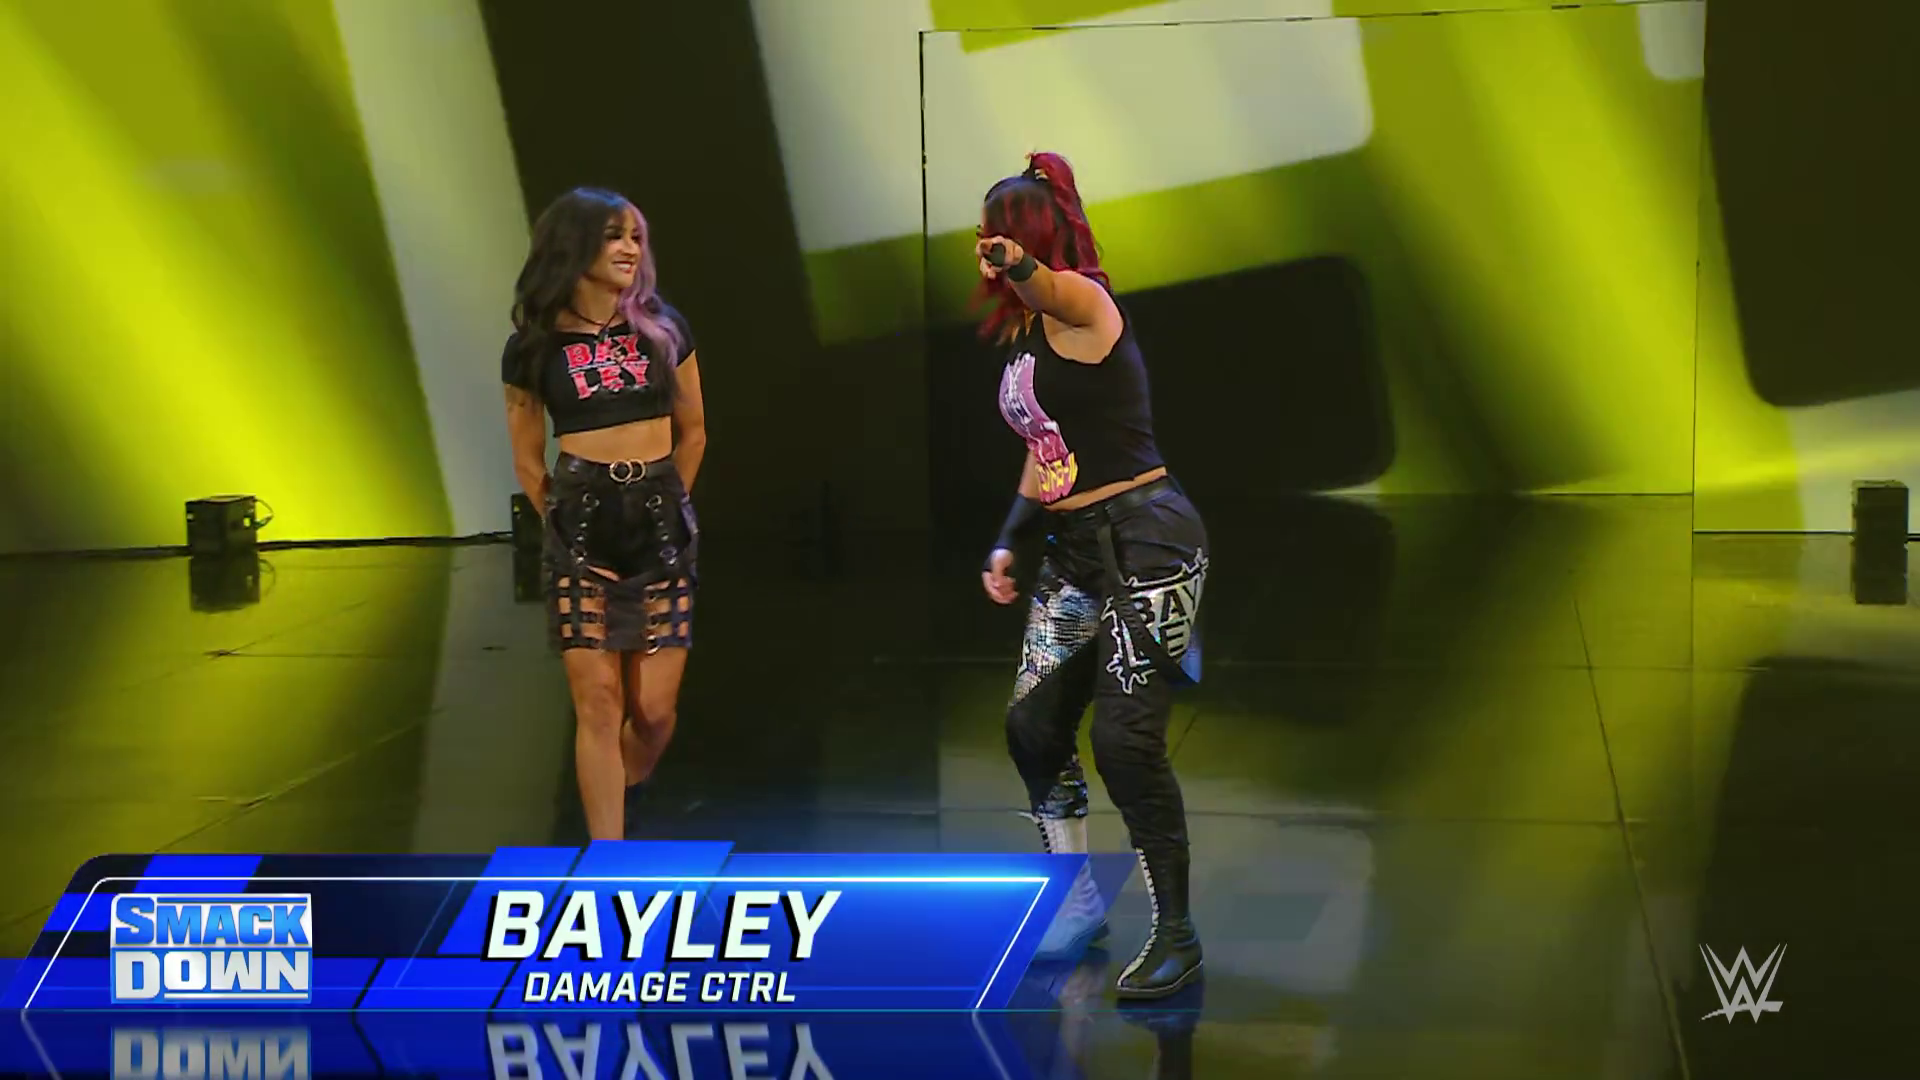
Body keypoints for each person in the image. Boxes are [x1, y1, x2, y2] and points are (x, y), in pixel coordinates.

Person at [976, 153, 1208, 999]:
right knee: (1034, 727)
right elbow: (1045, 450)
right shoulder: (1026, 337)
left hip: (1149, 541)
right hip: (1075, 548)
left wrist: (1018, 265)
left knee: (1123, 742)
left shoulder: (1083, 302)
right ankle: (1073, 903)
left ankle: (1177, 934)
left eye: (997, 231)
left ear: (1026, 238)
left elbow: (1048, 286)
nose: (983, 245)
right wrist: (1010, 538)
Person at [501, 188, 707, 842]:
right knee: (597, 703)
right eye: (613, 235)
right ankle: (607, 856)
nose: (629, 249)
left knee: (653, 713)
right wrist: (561, 526)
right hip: (580, 524)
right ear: (574, 245)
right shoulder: (534, 345)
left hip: (659, 524)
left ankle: (625, 790)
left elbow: (694, 432)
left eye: (635, 237)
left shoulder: (664, 328)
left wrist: (669, 505)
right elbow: (527, 459)